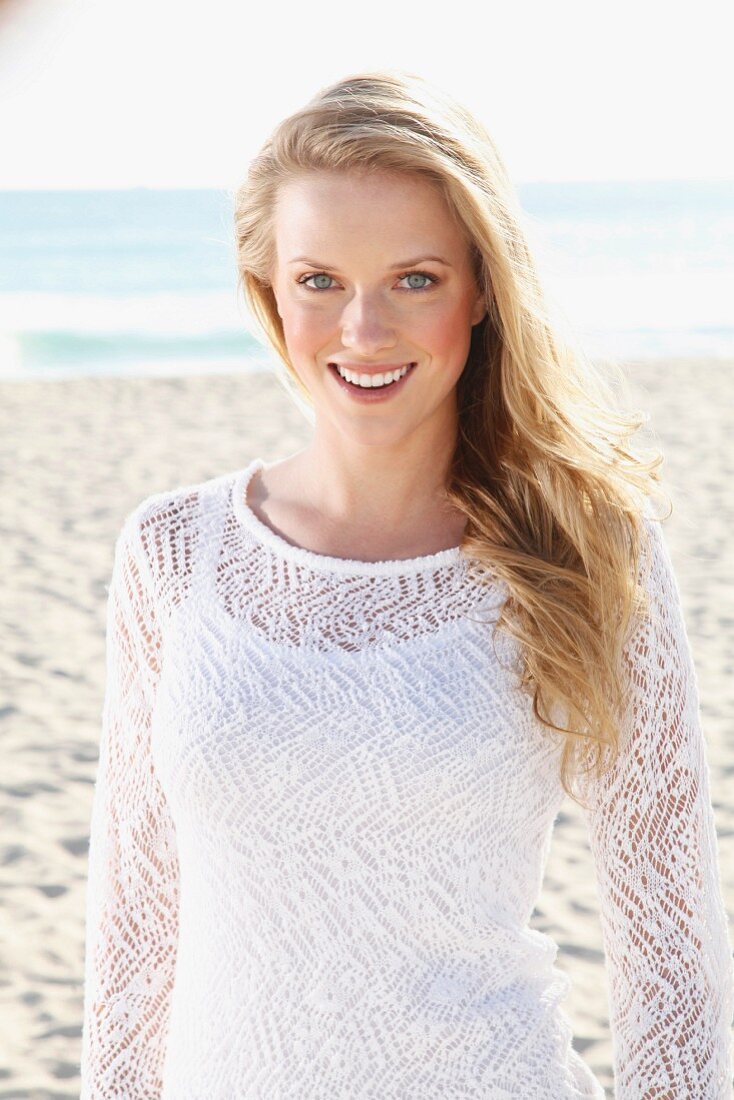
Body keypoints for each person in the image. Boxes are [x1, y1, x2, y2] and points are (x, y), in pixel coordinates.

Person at [79, 70, 734, 1098]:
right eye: (320, 280)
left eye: (414, 279)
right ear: (268, 287)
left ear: (480, 288)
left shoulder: (583, 543)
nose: (362, 331)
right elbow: (136, 924)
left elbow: (667, 945)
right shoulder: (171, 552)